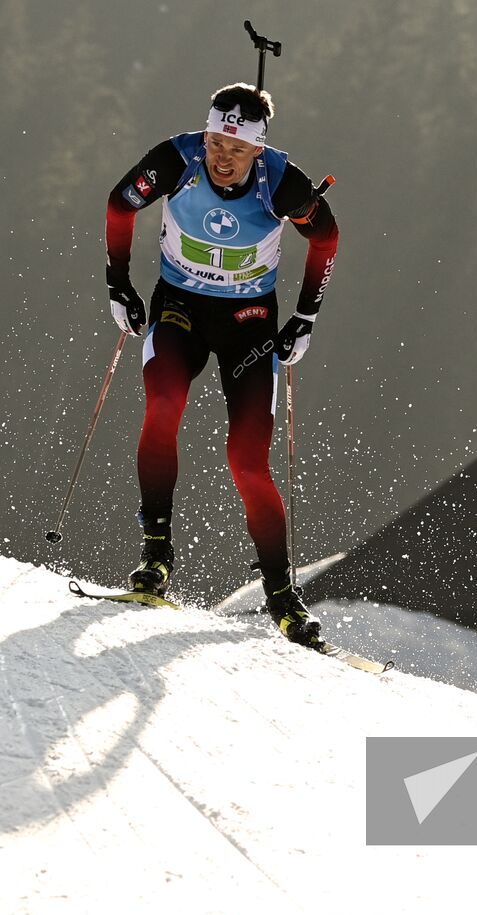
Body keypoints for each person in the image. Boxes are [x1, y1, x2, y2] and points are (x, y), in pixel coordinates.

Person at [103, 82, 339, 647]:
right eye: (213, 142)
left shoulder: (281, 181)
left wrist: (305, 317)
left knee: (247, 460)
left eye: (235, 149)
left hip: (249, 323)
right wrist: (118, 284)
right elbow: (119, 204)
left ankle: (283, 598)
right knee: (162, 407)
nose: (221, 158)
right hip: (179, 309)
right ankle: (156, 555)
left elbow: (326, 239)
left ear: (259, 149)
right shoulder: (175, 160)